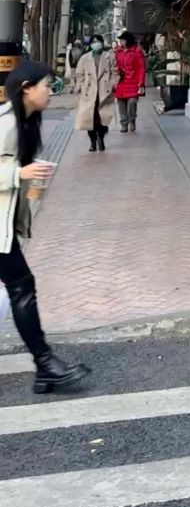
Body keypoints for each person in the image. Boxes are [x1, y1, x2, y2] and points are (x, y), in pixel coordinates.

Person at [0, 61, 90, 394]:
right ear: (26, 87)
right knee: (22, 287)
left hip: (4, 226)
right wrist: (18, 175)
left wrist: (29, 176)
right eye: (46, 86)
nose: (50, 92)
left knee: (22, 286)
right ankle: (45, 365)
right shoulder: (5, 123)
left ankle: (45, 367)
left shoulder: (25, 122)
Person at [74, 34, 119, 153]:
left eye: (98, 41)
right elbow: (79, 74)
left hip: (104, 92)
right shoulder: (85, 58)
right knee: (90, 119)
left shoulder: (109, 57)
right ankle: (93, 142)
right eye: (93, 42)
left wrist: (112, 84)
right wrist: (82, 85)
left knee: (103, 118)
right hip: (89, 93)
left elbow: (115, 72)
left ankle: (101, 139)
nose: (96, 44)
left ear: (102, 43)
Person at [115, 32, 147, 135]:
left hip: (133, 81)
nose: (121, 42)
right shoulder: (118, 51)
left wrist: (141, 82)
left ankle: (132, 120)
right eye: (120, 40)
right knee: (121, 103)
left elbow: (141, 68)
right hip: (121, 81)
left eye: (122, 40)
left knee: (132, 102)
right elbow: (115, 65)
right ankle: (124, 124)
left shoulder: (137, 51)